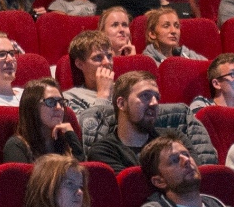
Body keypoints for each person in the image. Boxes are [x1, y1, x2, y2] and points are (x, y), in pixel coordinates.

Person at [83, 71, 216, 171]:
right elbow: (135, 191)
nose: (154, 103)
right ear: (121, 103)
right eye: (145, 96)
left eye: (157, 97)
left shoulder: (175, 139)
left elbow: (193, 177)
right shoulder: (104, 151)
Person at [5, 82, 83, 165]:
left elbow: (82, 174)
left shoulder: (66, 141)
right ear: (33, 107)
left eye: (61, 102)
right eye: (50, 102)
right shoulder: (16, 146)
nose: (59, 107)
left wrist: (71, 136)